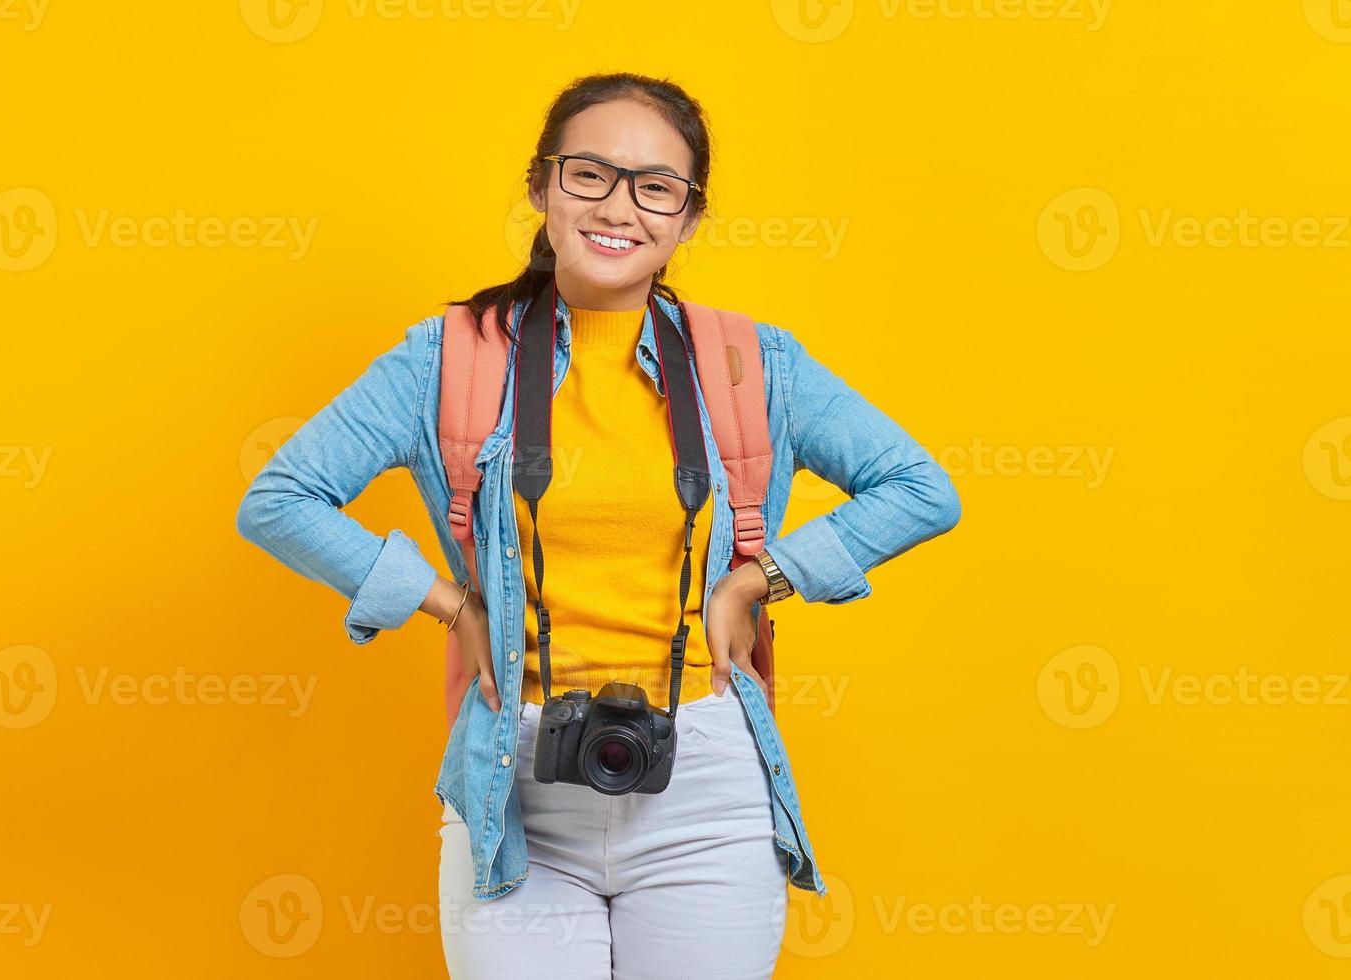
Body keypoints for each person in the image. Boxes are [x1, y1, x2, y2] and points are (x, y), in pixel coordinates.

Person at [236, 71, 961, 980]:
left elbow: (919, 487)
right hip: (513, 780)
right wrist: (450, 603)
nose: (621, 206)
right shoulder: (451, 357)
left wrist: (759, 578)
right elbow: (280, 496)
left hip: (703, 783)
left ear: (689, 218)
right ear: (541, 187)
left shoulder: (748, 364)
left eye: (657, 187)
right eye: (590, 175)